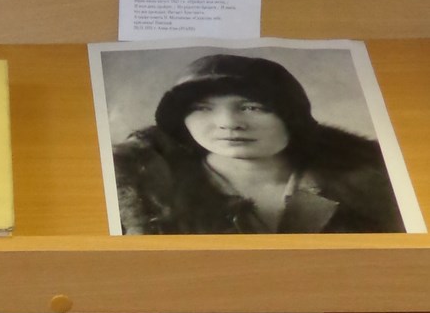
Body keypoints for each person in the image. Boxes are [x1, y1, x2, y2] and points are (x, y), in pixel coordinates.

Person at [113, 53, 404, 235]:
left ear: (291, 117)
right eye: (202, 108)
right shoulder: (142, 195)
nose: (229, 123)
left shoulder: (375, 186)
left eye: (251, 107)